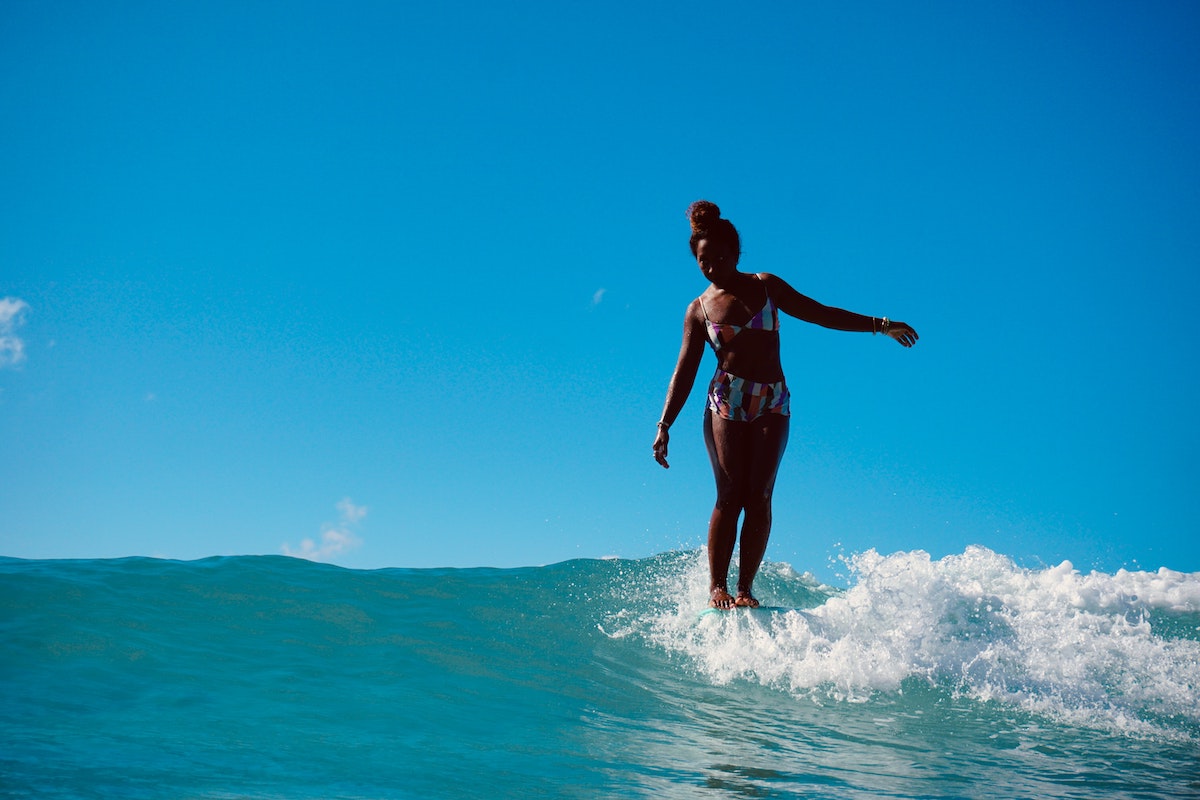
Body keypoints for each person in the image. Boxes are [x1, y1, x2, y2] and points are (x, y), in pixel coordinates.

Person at [653, 200, 918, 610]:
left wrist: (879, 325)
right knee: (730, 494)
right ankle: (717, 588)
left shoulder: (766, 286)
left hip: (773, 399)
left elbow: (819, 313)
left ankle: (745, 589)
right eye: (703, 261)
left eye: (719, 257)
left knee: (758, 494)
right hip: (727, 399)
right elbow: (684, 371)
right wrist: (664, 424)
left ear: (735, 253)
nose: (711, 267)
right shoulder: (699, 310)